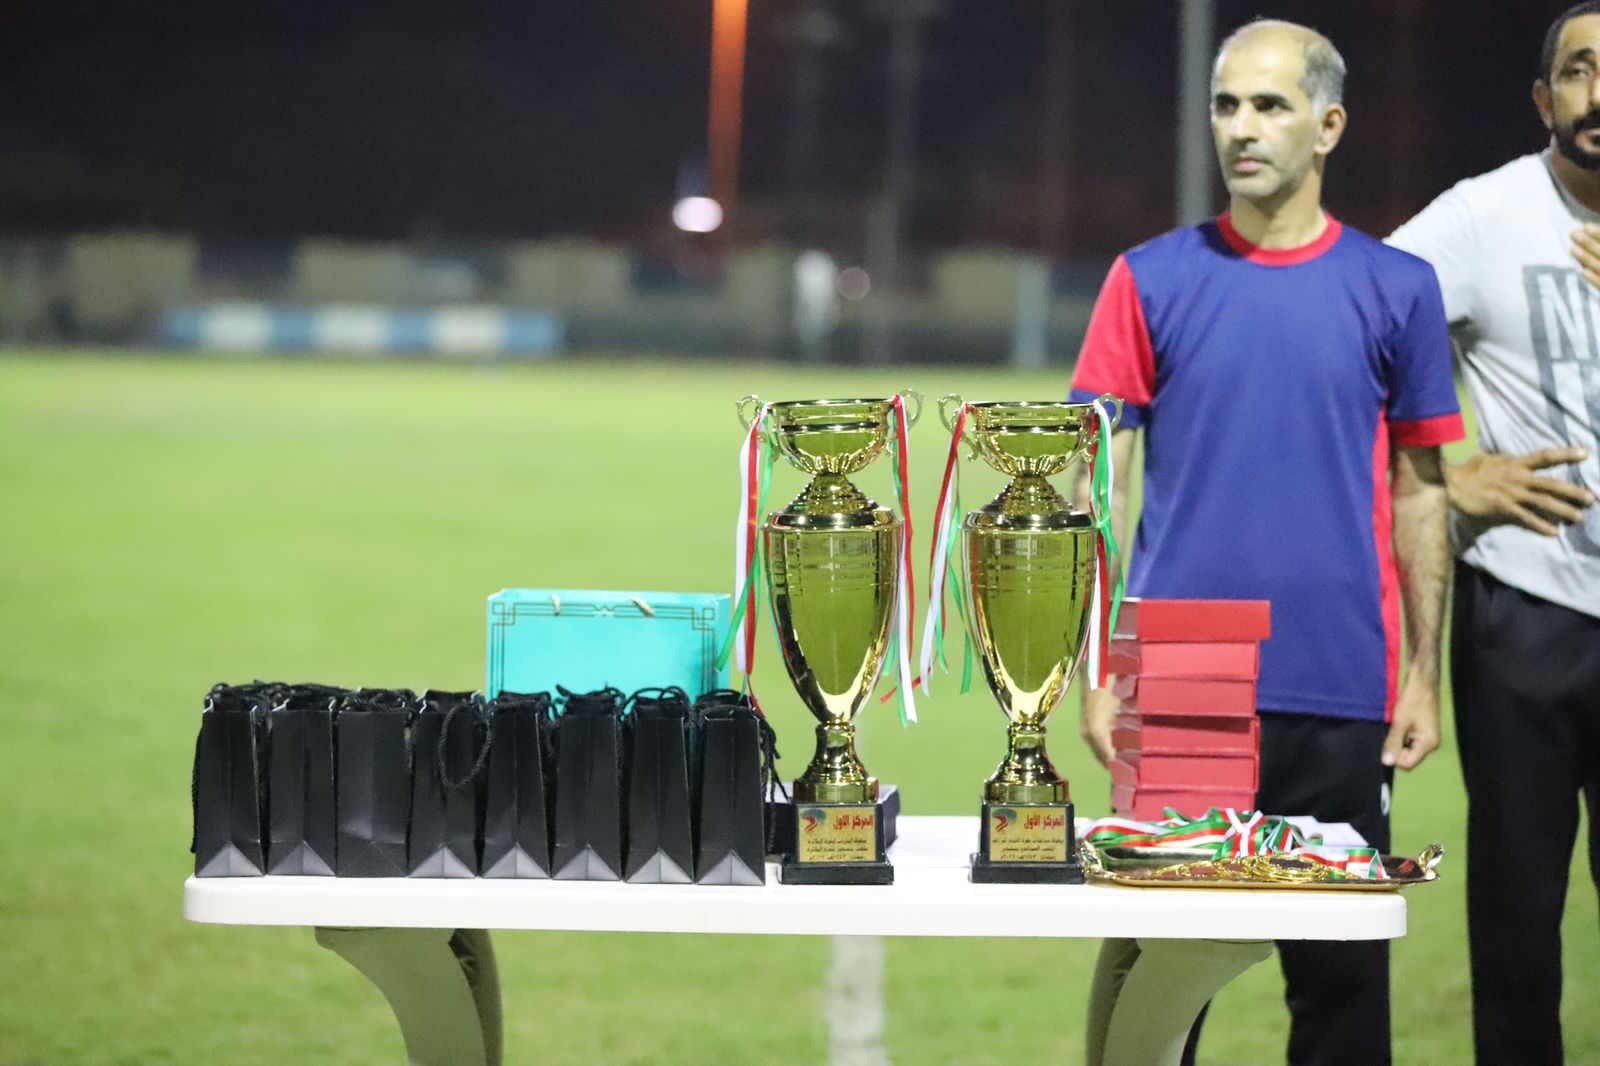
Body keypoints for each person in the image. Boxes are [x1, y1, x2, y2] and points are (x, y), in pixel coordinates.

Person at [1070, 19, 1463, 1066]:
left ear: (1327, 125)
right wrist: (1102, 666)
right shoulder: (1147, 278)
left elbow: (1422, 492)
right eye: (1226, 104)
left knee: (1341, 996)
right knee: (1156, 991)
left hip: (1339, 686)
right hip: (1177, 682)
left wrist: (1424, 674)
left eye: (1270, 105)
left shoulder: (1398, 287)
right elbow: (1095, 484)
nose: (1241, 128)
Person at [1387, 5, 1600, 1063]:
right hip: (1525, 612)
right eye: (1581, 70)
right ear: (1543, 97)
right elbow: (1348, 325)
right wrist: (1447, 483)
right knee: (1517, 925)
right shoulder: (1482, 217)